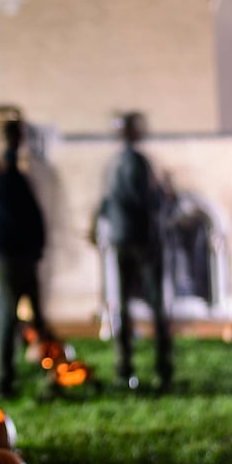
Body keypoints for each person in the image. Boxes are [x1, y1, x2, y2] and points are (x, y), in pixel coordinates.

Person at [97, 110, 173, 391]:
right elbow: (143, 199)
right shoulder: (136, 163)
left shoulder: (112, 165)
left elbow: (107, 205)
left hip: (121, 238)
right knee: (156, 304)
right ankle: (162, 368)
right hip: (141, 239)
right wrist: (164, 196)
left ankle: (125, 367)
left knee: (124, 304)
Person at [0, 120, 50, 398]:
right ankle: (0, 380)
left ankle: (47, 372)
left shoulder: (21, 176)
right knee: (6, 317)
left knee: (36, 318)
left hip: (25, 255)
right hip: (5, 256)